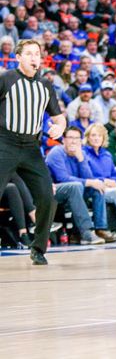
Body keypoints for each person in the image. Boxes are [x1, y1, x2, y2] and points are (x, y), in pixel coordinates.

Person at [0, 40, 65, 264]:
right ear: (18, 57)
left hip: (31, 148)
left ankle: (38, 248)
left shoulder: (46, 85)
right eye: (28, 53)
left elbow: (59, 116)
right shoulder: (6, 79)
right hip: (5, 143)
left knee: (48, 196)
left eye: (37, 53)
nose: (34, 57)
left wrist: (60, 127)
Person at [45, 126, 112, 245]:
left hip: (76, 190)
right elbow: (63, 178)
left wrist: (81, 159)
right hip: (54, 190)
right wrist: (89, 182)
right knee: (75, 186)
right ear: (63, 140)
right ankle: (86, 232)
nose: (73, 141)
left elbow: (89, 178)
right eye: (70, 137)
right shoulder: (56, 153)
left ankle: (100, 228)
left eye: (76, 138)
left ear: (80, 141)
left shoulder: (81, 153)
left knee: (97, 187)